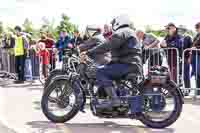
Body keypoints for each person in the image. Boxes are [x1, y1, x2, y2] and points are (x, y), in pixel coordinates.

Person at [81, 15, 142, 109]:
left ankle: (114, 100)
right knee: (108, 69)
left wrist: (89, 52)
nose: (113, 25)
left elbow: (108, 45)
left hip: (127, 64)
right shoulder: (128, 32)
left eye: (114, 23)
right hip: (131, 63)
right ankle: (114, 98)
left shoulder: (122, 32)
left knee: (100, 72)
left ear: (118, 22)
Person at [178, 26, 192, 91]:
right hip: (178, 59)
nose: (180, 31)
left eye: (181, 30)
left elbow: (190, 48)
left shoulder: (188, 37)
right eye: (179, 30)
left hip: (186, 58)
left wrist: (189, 57)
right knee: (179, 74)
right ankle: (180, 90)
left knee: (186, 75)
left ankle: (187, 89)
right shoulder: (178, 37)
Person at [191, 22, 200, 95]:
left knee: (198, 73)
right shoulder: (197, 35)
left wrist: (196, 48)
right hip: (195, 56)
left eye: (197, 28)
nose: (196, 29)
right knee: (196, 74)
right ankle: (198, 91)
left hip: (198, 55)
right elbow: (193, 44)